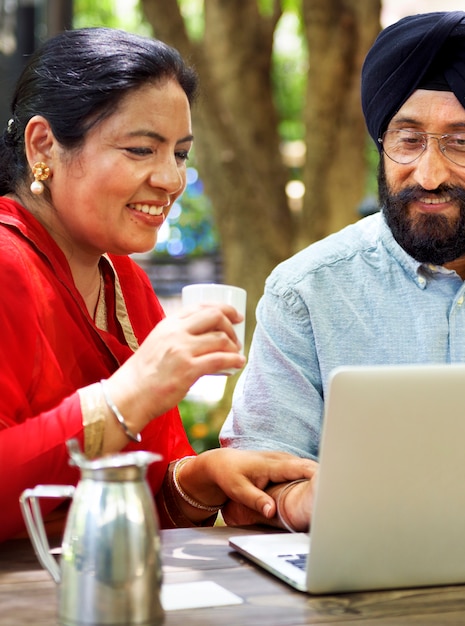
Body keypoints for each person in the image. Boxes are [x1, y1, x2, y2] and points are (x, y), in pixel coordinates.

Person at [220, 11, 465, 532]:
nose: (429, 174)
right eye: (407, 140)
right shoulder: (307, 291)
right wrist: (308, 501)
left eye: (462, 143)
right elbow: (246, 494)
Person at [0, 27, 316, 543]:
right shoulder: (8, 265)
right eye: (142, 150)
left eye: (180, 153)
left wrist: (198, 479)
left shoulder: (124, 280)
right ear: (44, 145)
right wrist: (130, 392)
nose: (171, 179)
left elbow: (144, 498)